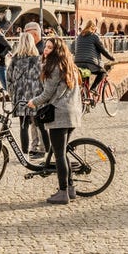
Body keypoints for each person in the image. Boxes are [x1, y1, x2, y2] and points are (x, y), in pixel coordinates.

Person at [26, 35, 83, 205]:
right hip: (73, 114)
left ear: (57, 50)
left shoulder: (54, 67)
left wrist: (33, 102)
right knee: (62, 152)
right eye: (46, 47)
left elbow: (47, 93)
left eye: (50, 48)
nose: (46, 50)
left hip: (60, 114)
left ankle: (63, 192)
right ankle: (70, 188)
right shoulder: (70, 66)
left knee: (59, 154)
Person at [8, 33, 43, 156]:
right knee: (39, 124)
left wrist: (12, 93)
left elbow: (9, 79)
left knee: (23, 125)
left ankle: (24, 152)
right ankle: (45, 150)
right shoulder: (38, 59)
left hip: (20, 97)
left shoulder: (14, 60)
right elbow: (42, 79)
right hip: (35, 97)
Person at [72, 20, 115, 100]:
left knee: (86, 77)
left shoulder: (79, 36)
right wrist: (111, 58)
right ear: (93, 28)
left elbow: (73, 48)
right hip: (90, 63)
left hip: (77, 62)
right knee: (102, 73)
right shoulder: (94, 36)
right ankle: (93, 88)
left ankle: (86, 99)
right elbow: (103, 50)